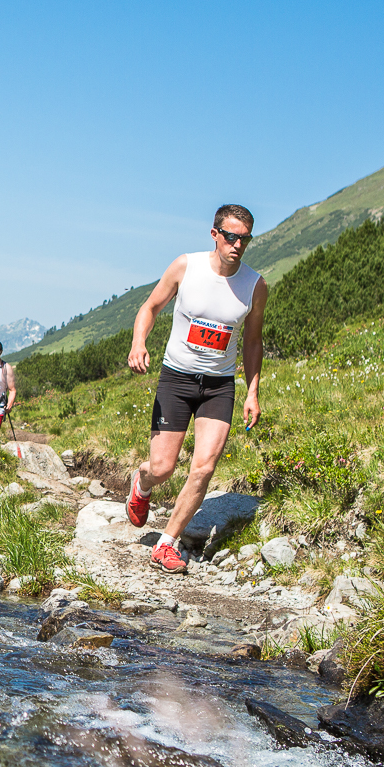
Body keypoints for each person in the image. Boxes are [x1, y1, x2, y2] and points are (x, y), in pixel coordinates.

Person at [125, 205, 268, 573]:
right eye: (231, 236)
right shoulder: (186, 266)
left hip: (219, 386)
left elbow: (253, 341)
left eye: (245, 238)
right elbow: (150, 307)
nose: (238, 244)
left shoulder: (255, 285)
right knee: (162, 468)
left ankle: (166, 543)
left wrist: (252, 391)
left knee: (203, 468)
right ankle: (142, 484)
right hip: (177, 379)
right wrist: (139, 343)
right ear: (215, 234)